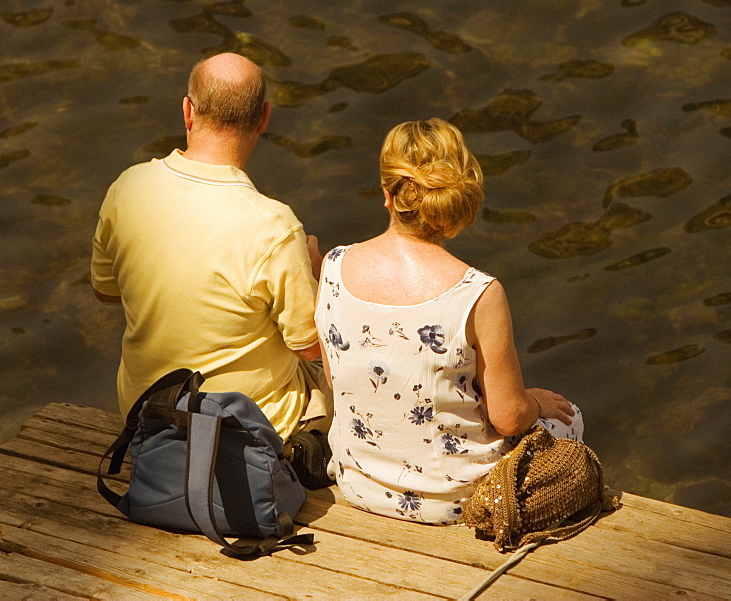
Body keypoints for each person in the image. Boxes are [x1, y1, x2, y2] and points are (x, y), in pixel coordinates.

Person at [314, 118, 583, 524]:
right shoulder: (477, 292)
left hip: (359, 485)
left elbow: (336, 379)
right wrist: (536, 401)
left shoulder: (333, 266)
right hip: (456, 502)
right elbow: (508, 417)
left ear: (388, 194)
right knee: (570, 418)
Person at [91, 52, 331, 447]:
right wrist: (320, 273)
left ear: (188, 111)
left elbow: (105, 291)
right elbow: (311, 347)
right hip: (240, 433)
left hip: (145, 415)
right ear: (264, 118)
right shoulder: (274, 226)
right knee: (340, 378)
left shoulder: (126, 189)